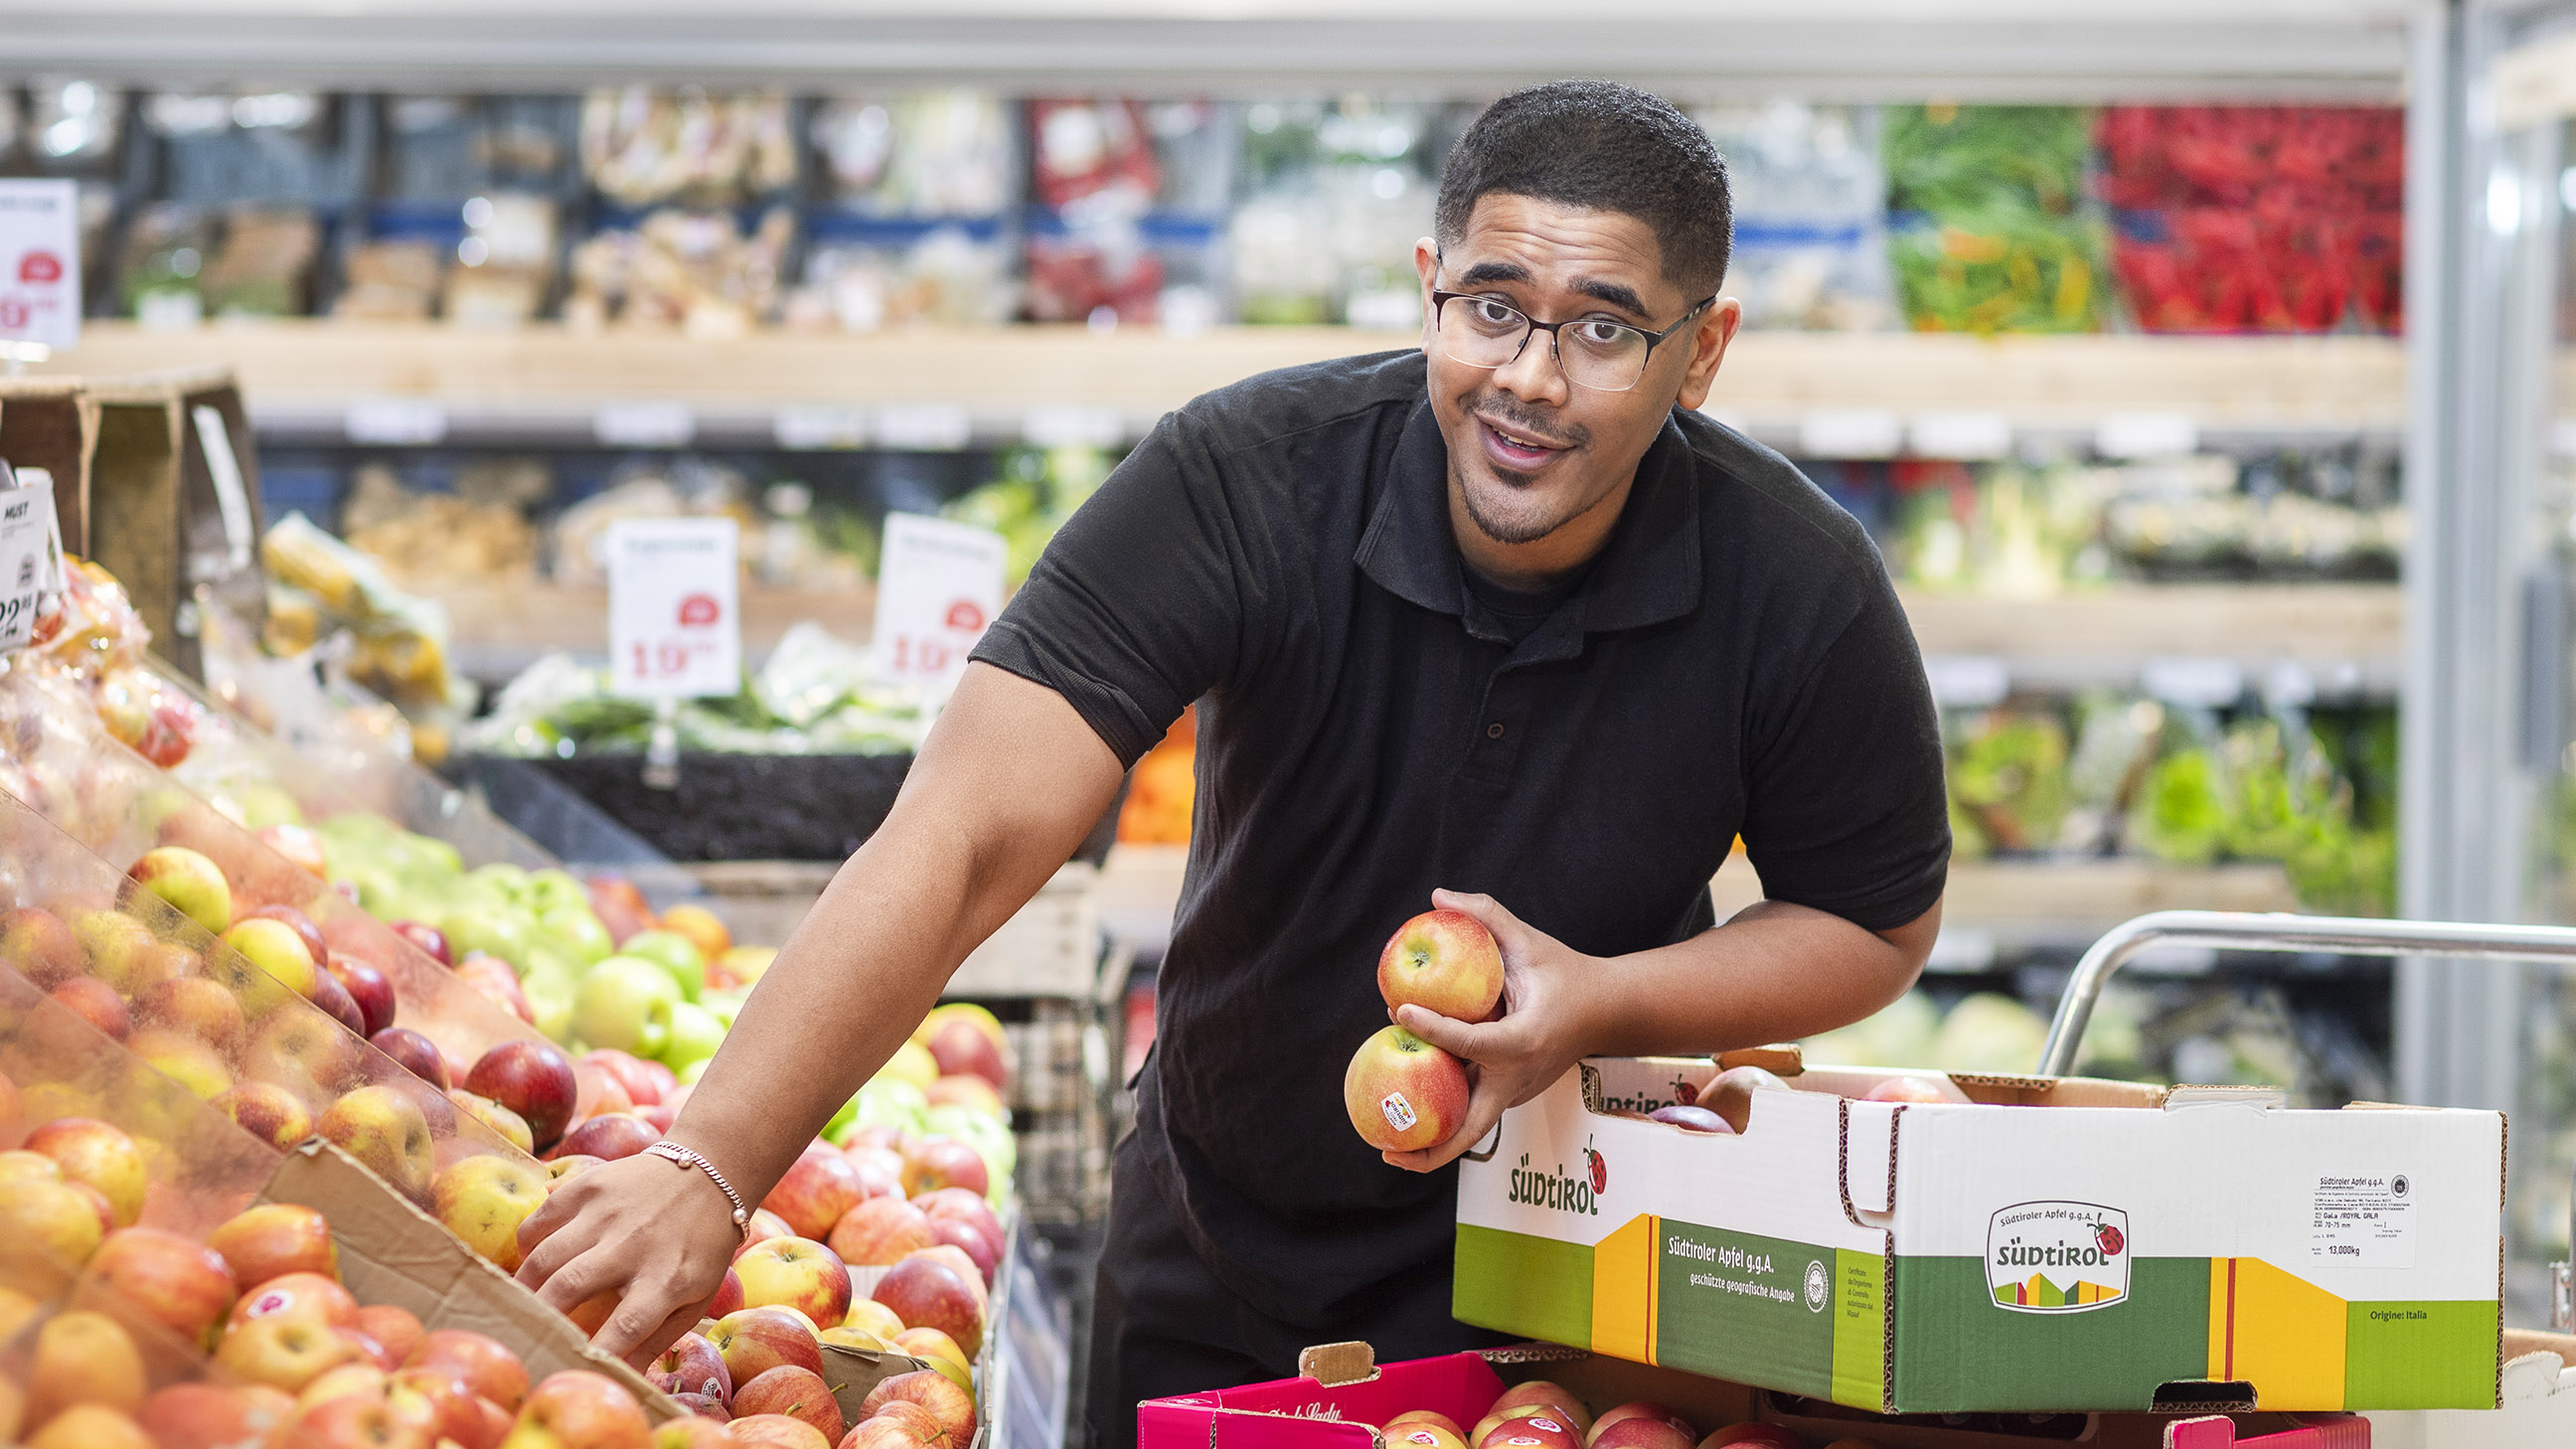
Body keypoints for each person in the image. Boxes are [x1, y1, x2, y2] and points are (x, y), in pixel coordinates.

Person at [514, 79, 1950, 1449]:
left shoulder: (1795, 584)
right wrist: (710, 1158)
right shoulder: (1246, 478)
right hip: (1216, 1261)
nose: (1527, 378)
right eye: (1492, 308)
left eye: (1602, 331)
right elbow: (958, 838)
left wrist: (1603, 1000)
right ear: (1427, 285)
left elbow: (1874, 921)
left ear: (1702, 350)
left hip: (1577, 1301)